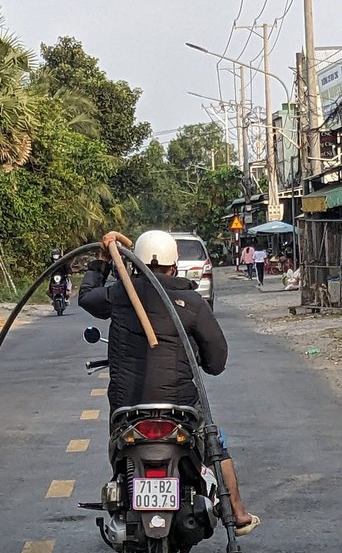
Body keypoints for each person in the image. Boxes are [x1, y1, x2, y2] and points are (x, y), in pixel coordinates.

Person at [79, 229, 260, 536]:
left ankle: (121, 490)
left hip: (128, 408)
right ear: (174, 266)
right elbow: (216, 362)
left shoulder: (121, 294)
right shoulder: (191, 301)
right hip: (181, 407)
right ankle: (238, 512)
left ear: (135, 265)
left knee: (117, 447)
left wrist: (101, 262)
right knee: (216, 445)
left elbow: (86, 298)